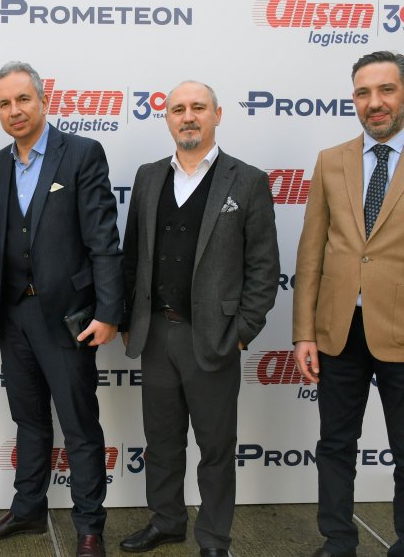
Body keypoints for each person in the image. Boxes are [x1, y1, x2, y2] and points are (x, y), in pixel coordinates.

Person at [0, 61, 122, 557]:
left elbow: (104, 240)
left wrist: (108, 312)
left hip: (67, 317)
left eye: (22, 99)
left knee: (79, 426)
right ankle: (28, 510)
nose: (14, 110)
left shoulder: (81, 153)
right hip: (14, 314)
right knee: (29, 420)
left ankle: (89, 527)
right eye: (4, 103)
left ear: (43, 100)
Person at [293, 51, 404, 557]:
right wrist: (304, 332)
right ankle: (338, 541)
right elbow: (311, 254)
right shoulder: (331, 160)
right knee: (334, 446)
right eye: (363, 93)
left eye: (386, 90)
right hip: (338, 333)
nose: (374, 102)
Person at [119, 81, 279, 556]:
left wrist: (242, 332)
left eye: (198, 108)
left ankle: (213, 538)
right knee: (162, 442)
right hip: (155, 334)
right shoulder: (148, 177)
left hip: (213, 338)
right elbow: (132, 255)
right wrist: (128, 320)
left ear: (217, 114)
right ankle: (167, 521)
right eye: (178, 109)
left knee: (215, 447)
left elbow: (264, 267)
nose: (188, 117)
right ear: (167, 118)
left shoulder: (246, 180)